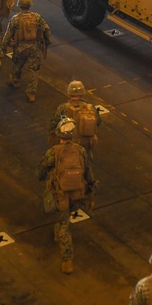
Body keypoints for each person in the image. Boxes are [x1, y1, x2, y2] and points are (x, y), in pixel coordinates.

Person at [37, 117, 95, 275]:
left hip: (60, 193)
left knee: (63, 224)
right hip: (78, 192)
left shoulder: (53, 152)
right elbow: (89, 173)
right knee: (66, 216)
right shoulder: (80, 151)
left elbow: (41, 172)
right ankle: (58, 231)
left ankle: (67, 259)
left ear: (59, 134)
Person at [1, 0, 51, 102]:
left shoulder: (16, 19)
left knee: (17, 65)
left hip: (20, 48)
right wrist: (47, 42)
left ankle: (15, 80)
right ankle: (31, 92)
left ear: (19, 5)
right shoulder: (37, 17)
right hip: (34, 48)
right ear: (30, 4)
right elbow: (46, 29)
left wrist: (3, 47)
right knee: (33, 70)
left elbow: (8, 34)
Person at [49, 80, 101, 153]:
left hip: (68, 145)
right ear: (82, 93)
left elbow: (53, 123)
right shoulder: (91, 108)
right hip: (86, 144)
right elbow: (98, 122)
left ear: (70, 93)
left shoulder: (63, 108)